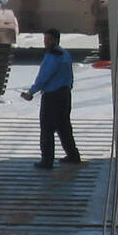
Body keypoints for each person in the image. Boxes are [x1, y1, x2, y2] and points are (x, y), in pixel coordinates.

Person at [21, 29, 80, 169]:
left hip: (52, 96)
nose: (45, 42)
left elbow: (44, 77)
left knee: (47, 128)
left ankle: (47, 161)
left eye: (48, 39)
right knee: (64, 127)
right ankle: (73, 155)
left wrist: (31, 92)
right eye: (45, 39)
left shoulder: (52, 57)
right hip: (64, 94)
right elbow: (70, 75)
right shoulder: (65, 54)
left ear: (55, 40)